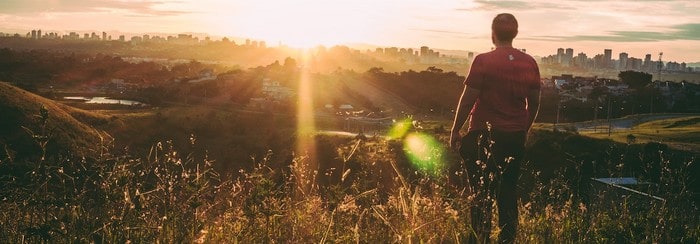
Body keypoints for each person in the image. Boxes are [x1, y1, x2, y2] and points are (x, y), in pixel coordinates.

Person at [449, 13, 541, 243]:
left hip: (483, 135)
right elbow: (535, 102)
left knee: (481, 194)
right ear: (516, 34)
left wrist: (455, 130)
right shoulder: (529, 62)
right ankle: (507, 240)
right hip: (514, 137)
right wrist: (524, 129)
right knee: (508, 192)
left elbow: (469, 98)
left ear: (492, 34)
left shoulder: (483, 60)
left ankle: (479, 239)